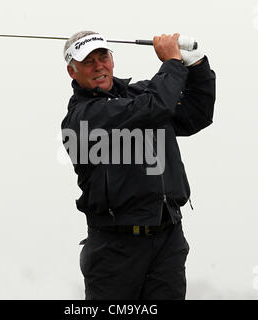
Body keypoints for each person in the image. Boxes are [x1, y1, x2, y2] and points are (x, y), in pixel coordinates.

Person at [61, 30, 216, 300]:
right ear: (72, 72)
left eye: (103, 56)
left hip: (167, 238)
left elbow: (196, 114)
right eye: (88, 61)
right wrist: (172, 63)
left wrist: (198, 66)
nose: (98, 66)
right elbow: (153, 107)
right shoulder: (82, 118)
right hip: (115, 249)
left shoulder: (141, 94)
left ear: (112, 59)